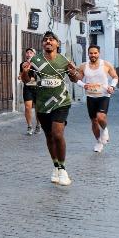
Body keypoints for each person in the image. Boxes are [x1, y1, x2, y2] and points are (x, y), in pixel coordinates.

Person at [20, 31, 82, 185]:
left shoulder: (64, 60)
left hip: (61, 101)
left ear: (57, 44)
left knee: (58, 134)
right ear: (42, 44)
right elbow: (28, 81)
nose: (48, 41)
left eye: (51, 40)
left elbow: (75, 79)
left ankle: (63, 169)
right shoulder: (35, 60)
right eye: (45, 40)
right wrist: (25, 72)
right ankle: (56, 166)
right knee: (49, 136)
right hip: (42, 103)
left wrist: (73, 70)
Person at [78, 46, 117, 153]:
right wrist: (83, 85)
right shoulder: (83, 66)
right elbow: (77, 79)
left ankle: (105, 130)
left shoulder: (106, 64)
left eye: (95, 53)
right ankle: (99, 142)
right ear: (88, 54)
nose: (93, 55)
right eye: (91, 53)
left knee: (100, 117)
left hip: (104, 95)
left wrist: (112, 87)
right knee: (94, 121)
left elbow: (115, 77)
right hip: (91, 96)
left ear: (99, 53)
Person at [21, 47, 39, 136]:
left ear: (34, 55)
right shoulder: (23, 64)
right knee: (28, 107)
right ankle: (29, 126)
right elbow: (23, 76)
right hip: (28, 88)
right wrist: (22, 75)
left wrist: (32, 64)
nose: (28, 54)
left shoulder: (38, 64)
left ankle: (38, 125)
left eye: (31, 52)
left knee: (37, 108)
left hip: (38, 88)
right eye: (27, 52)